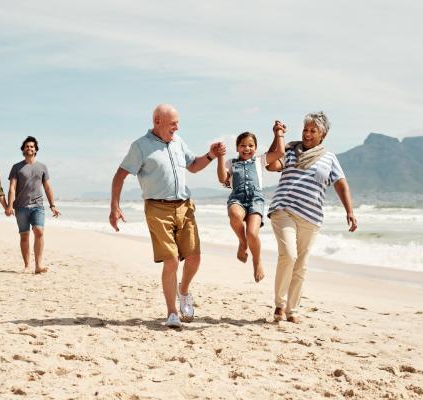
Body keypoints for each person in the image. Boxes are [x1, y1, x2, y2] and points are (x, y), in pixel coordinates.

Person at [109, 104, 224, 329]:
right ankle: (172, 312)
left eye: (177, 122)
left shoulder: (178, 142)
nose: (177, 127)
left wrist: (211, 155)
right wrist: (115, 206)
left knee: (194, 258)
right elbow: (120, 176)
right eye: (173, 123)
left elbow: (194, 166)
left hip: (185, 206)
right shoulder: (140, 146)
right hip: (157, 209)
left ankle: (183, 291)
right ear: (157, 121)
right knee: (171, 259)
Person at [266, 111, 358, 323]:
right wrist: (277, 136)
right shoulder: (289, 151)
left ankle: (292, 310)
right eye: (305, 129)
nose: (307, 134)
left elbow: (340, 184)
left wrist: (350, 211)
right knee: (288, 255)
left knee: (301, 265)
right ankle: (279, 305)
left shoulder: (329, 158)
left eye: (312, 130)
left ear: (322, 134)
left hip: (311, 216)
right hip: (284, 209)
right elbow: (271, 165)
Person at [216, 122, 285, 282]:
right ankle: (242, 242)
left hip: (256, 199)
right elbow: (222, 178)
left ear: (255, 147)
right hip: (237, 198)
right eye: (243, 145)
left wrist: (279, 132)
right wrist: (220, 157)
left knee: (252, 233)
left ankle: (257, 260)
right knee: (234, 214)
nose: (247, 148)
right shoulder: (231, 163)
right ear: (237, 148)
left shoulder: (260, 161)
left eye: (251, 145)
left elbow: (280, 151)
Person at [6, 136, 60, 274]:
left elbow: (47, 187)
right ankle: (26, 265)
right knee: (24, 236)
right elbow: (12, 187)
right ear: (23, 149)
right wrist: (10, 205)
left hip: (38, 205)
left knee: (39, 231)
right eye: (27, 146)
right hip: (21, 207)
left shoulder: (42, 167)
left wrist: (52, 205)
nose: (29, 148)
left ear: (35, 150)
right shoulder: (17, 167)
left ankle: (39, 265)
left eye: (32, 146)